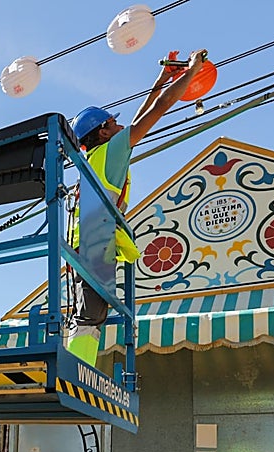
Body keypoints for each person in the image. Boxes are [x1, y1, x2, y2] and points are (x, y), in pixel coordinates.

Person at [66, 49, 209, 366]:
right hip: (96, 239)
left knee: (88, 310)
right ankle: (77, 370)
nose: (120, 125)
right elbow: (158, 110)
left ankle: (79, 364)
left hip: (85, 238)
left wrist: (160, 79)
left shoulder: (96, 156)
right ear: (103, 132)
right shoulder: (112, 150)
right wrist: (191, 72)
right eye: (113, 122)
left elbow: (143, 114)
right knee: (92, 314)